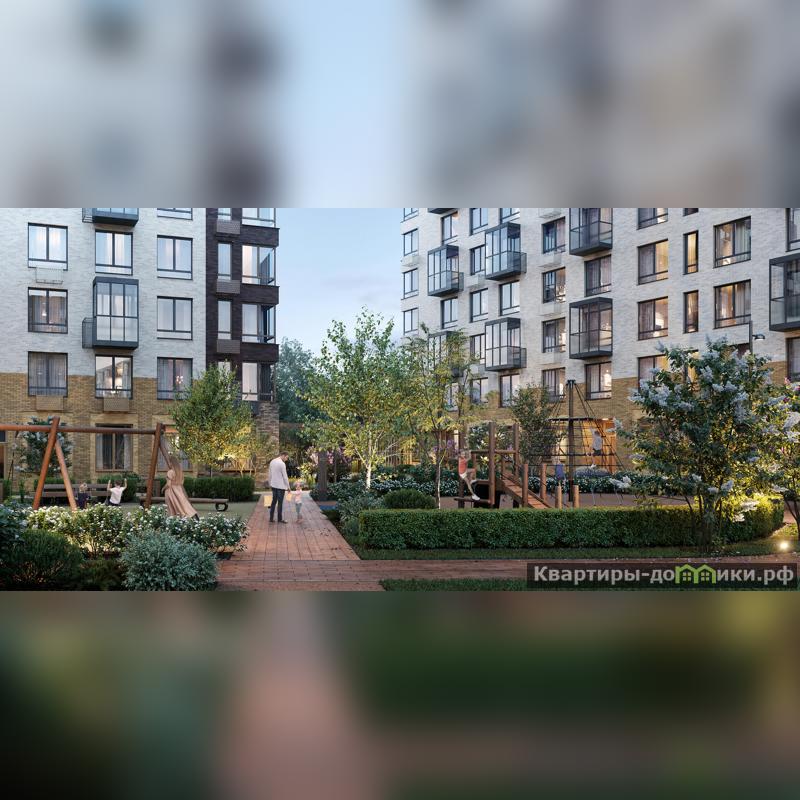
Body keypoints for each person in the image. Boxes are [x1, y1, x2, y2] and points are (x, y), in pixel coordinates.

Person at [165, 454, 199, 519]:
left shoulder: (170, 472)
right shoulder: (180, 472)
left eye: (169, 462)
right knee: (182, 504)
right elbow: (181, 483)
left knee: (172, 506)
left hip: (171, 491)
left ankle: (173, 519)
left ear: (171, 463)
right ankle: (190, 515)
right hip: (179, 490)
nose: (168, 464)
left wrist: (163, 489)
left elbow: (168, 484)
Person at [268, 451, 290, 524]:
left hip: (273, 485)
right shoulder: (282, 464)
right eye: (286, 457)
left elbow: (270, 474)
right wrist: (288, 487)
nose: (286, 459)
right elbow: (285, 477)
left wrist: (270, 483)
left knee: (273, 502)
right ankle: (280, 519)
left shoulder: (272, 461)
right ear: (283, 455)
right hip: (281, 486)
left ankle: (271, 518)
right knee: (280, 503)